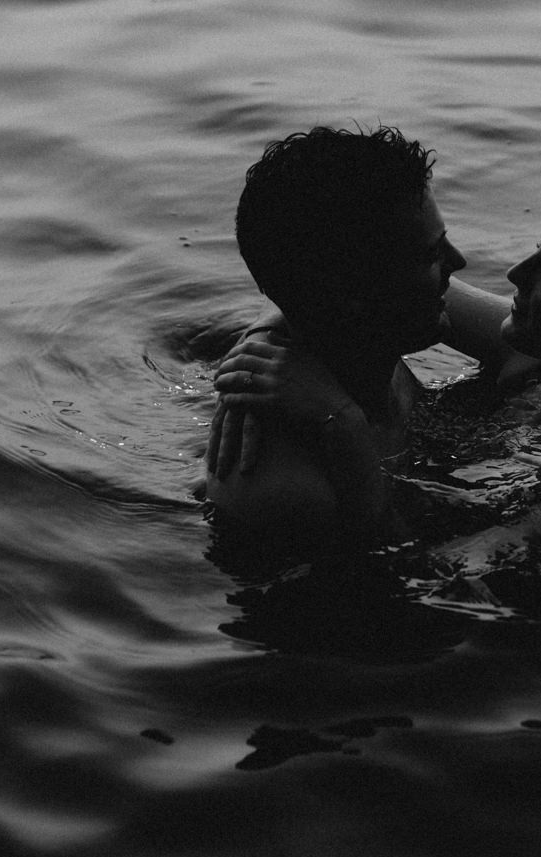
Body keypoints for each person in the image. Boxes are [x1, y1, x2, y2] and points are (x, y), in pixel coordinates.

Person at [211, 171, 541, 589]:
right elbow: (334, 280)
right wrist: (267, 335)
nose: (514, 274)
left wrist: (341, 424)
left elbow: (416, 577)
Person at [200, 124, 466, 556]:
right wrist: (342, 425)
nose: (460, 263)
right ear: (356, 296)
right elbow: (391, 603)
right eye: (431, 254)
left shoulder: (369, 344)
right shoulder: (285, 492)